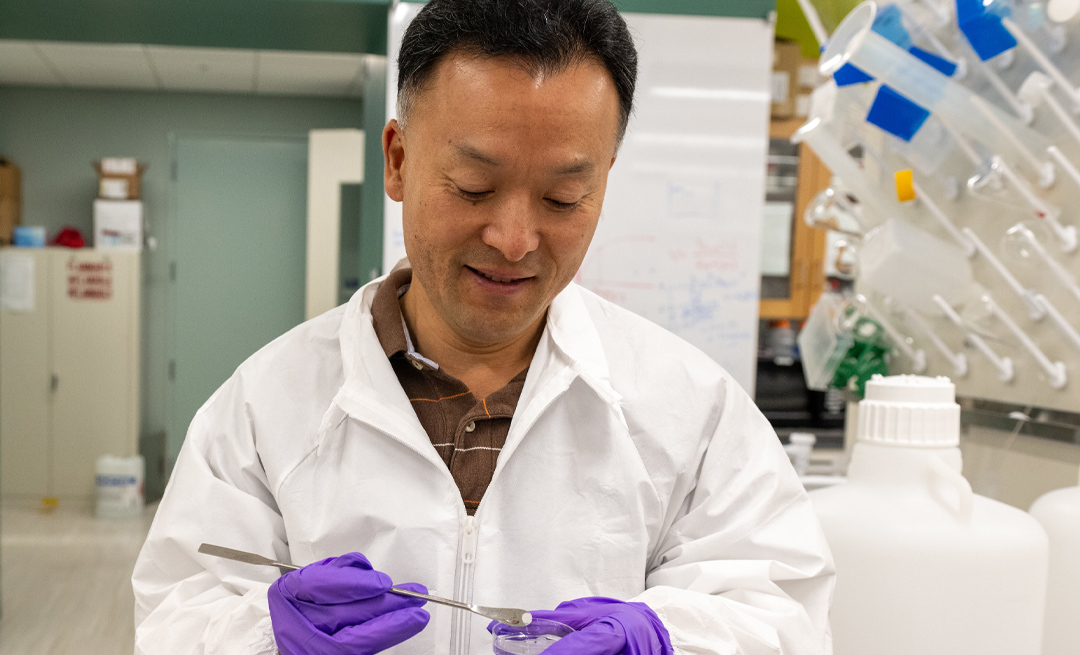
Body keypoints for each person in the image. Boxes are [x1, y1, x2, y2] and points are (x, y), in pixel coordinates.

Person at [132, 0, 835, 653]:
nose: (514, 238)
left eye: (563, 198)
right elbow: (174, 611)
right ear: (399, 160)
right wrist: (264, 639)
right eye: (474, 188)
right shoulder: (266, 406)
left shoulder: (691, 409)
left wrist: (668, 641)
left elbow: (782, 613)